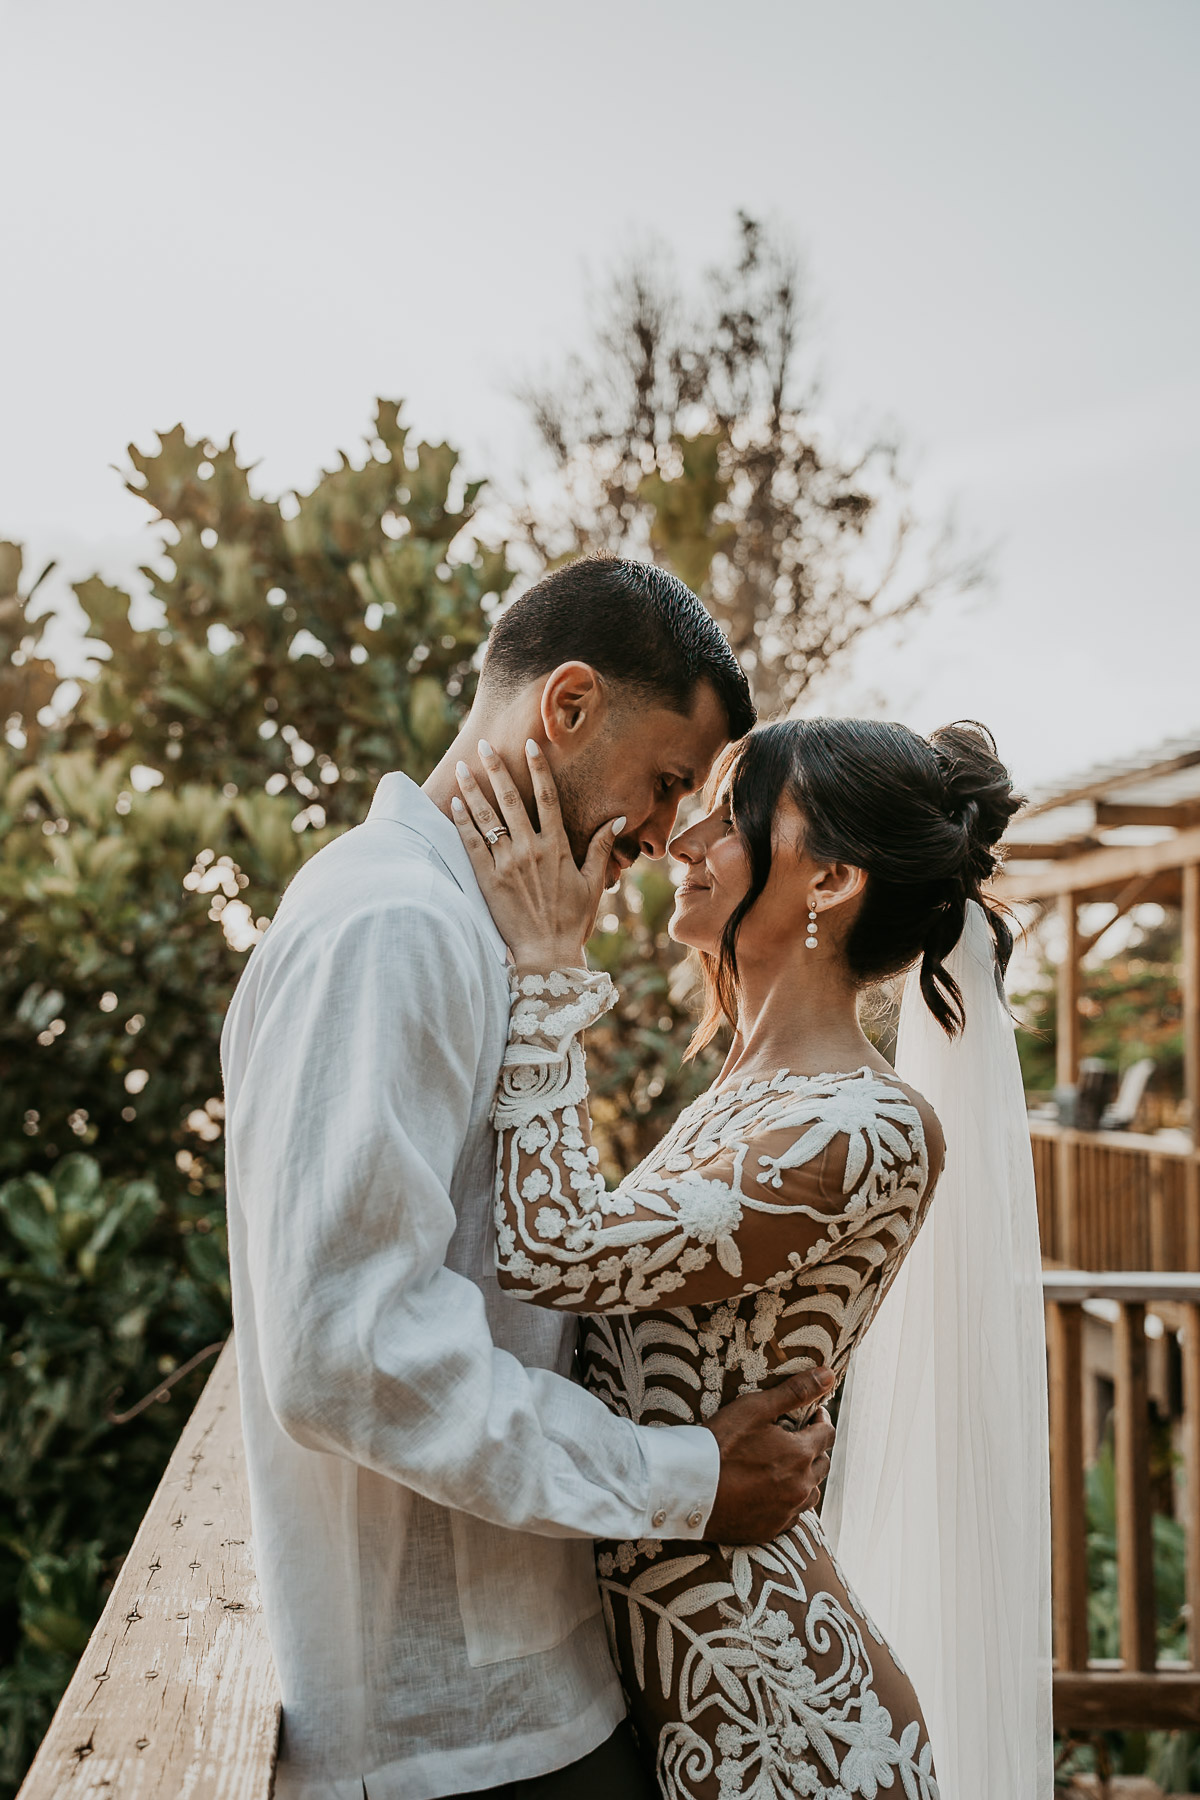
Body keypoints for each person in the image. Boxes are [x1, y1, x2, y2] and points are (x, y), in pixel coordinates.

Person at [221, 557, 838, 1800]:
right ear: (565, 708)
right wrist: (685, 1481)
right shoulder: (392, 927)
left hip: (526, 1697)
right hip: (452, 1740)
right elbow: (353, 1352)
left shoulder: (462, 926)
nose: (667, 835)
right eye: (666, 784)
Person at [450, 714, 1026, 1799]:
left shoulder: (870, 1128)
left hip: (785, 1724)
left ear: (832, 880)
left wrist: (546, 970)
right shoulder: (741, 1099)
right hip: (661, 1704)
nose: (684, 839)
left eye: (732, 816)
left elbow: (556, 1249)